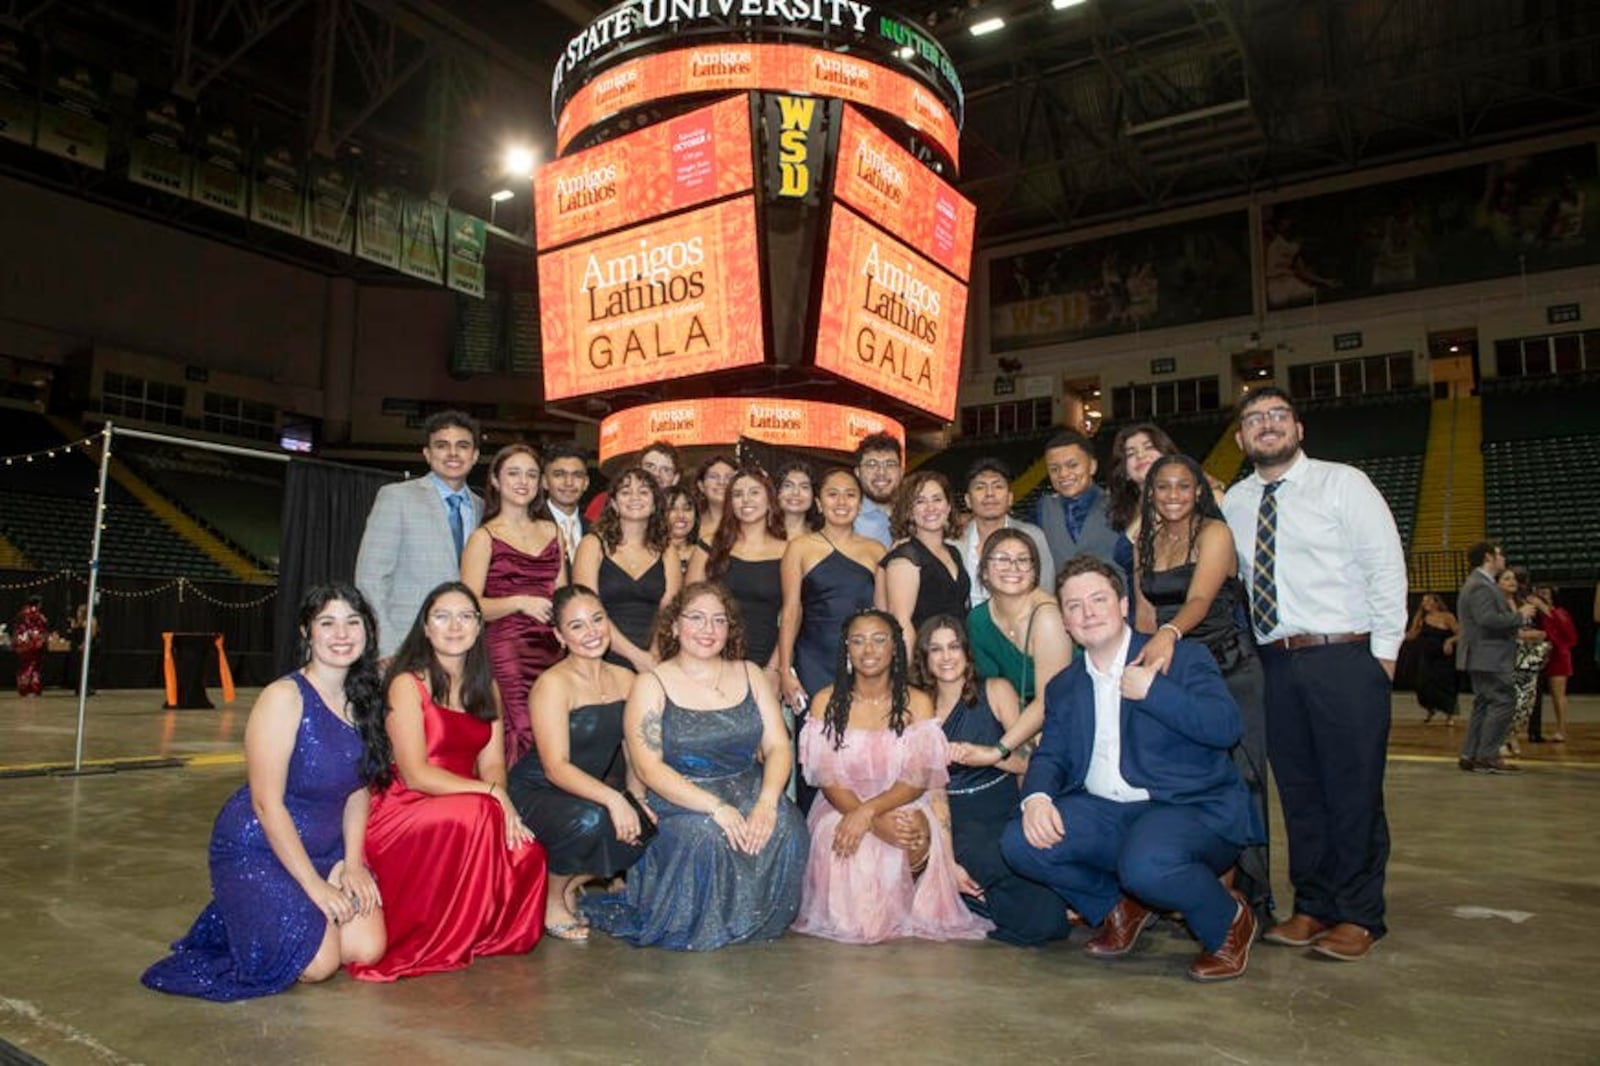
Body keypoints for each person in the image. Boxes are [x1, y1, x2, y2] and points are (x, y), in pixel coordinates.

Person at [1000, 557, 1262, 982]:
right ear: (1064, 621)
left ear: (1122, 604)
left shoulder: (1183, 657)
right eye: (1074, 606)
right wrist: (1036, 798)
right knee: (1020, 841)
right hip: (1109, 812)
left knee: (1148, 864)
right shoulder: (1065, 685)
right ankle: (1117, 908)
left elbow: (1227, 727)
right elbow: (1052, 756)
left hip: (1190, 810)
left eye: (1098, 599)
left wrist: (1155, 692)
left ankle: (1228, 920)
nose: (1087, 613)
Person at [1221, 386, 1406, 962]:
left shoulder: (1342, 483)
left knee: (1351, 791)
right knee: (1299, 792)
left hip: (1344, 656)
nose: (1267, 425)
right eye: (1255, 419)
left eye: (1278, 416)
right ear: (1240, 438)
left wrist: (1384, 657)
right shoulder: (1235, 503)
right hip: (1276, 660)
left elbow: (1385, 566)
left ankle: (1359, 914)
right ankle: (1314, 904)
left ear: (1299, 429)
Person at [142, 584, 387, 999]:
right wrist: (315, 887)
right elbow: (266, 803)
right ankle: (252, 901)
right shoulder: (283, 698)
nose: (341, 633)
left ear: (367, 632)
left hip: (324, 850)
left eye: (352, 622)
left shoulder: (364, 699)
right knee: (318, 965)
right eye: (327, 623)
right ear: (307, 633)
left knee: (367, 948)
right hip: (260, 847)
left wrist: (352, 863)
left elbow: (357, 789)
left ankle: (257, 910)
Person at [582, 583, 808, 950]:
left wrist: (767, 801)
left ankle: (758, 919)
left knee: (787, 823)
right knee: (707, 835)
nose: (708, 629)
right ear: (674, 626)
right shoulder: (651, 684)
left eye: (719, 620)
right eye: (697, 618)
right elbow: (648, 767)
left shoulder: (750, 673)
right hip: (679, 796)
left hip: (746, 785)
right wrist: (716, 807)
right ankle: (701, 922)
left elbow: (779, 745)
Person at [349, 582, 547, 981]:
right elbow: (415, 773)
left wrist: (498, 800)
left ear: (478, 627)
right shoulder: (408, 683)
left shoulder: (484, 685)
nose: (454, 626)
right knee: (478, 813)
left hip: (467, 803)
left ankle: (477, 934)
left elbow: (493, 765)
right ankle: (440, 936)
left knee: (530, 855)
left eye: (466, 616)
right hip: (405, 806)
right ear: (425, 626)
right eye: (442, 616)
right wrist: (490, 796)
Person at [792, 610, 993, 943]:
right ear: (846, 649)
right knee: (843, 839)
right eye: (858, 641)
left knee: (909, 826)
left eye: (879, 639)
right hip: (842, 804)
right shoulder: (825, 701)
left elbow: (916, 780)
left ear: (895, 648)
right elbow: (827, 780)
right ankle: (870, 914)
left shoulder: (917, 701)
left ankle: (909, 907)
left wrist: (870, 814)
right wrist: (860, 816)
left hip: (901, 798)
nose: (868, 650)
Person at [1132, 453, 1273, 926]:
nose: (1173, 495)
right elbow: (1145, 616)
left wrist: (1169, 636)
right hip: (1173, 667)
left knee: (1237, 775)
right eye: (1163, 487)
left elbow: (1198, 599)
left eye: (1183, 487)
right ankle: (1189, 880)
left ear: (1199, 491)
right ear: (1150, 493)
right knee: (1185, 774)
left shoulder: (1215, 533)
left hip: (1227, 663)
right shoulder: (1144, 541)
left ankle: (1233, 898)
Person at [913, 615, 1070, 946]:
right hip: (954, 813)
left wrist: (987, 754)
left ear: (967, 652)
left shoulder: (997, 690)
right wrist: (947, 860)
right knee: (988, 861)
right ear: (925, 658)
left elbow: (1027, 760)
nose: (946, 657)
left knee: (1030, 872)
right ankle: (976, 901)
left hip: (1001, 802)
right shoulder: (918, 706)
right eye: (936, 649)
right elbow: (927, 787)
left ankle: (994, 906)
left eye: (954, 647)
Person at [509, 585, 649, 940]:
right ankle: (552, 900)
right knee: (592, 819)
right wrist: (615, 800)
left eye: (598, 619)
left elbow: (634, 752)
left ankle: (570, 885)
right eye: (577, 626)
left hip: (589, 791)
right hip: (537, 790)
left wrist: (636, 799)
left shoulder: (627, 679)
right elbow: (556, 767)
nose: (592, 632)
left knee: (646, 824)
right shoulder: (552, 684)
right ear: (559, 635)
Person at [461, 444, 566, 766]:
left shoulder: (552, 531)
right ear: (494, 479)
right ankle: (513, 807)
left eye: (531, 474)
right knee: (521, 727)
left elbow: (562, 593)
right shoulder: (484, 537)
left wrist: (565, 628)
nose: (523, 481)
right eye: (513, 473)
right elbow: (469, 607)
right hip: (508, 646)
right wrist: (519, 602)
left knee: (554, 726)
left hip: (553, 646)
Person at [356, 410, 483, 660]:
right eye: (442, 446)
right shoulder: (396, 497)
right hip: (405, 644)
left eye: (463, 446)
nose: (453, 453)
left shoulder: (484, 508)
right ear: (427, 454)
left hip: (466, 648)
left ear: (475, 455)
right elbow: (370, 578)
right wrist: (386, 646)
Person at [961, 528, 1073, 757]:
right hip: (1012, 723)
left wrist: (999, 750)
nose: (1013, 567)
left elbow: (1051, 700)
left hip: (1064, 719)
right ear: (983, 571)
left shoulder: (1048, 617)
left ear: (1035, 573)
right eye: (1002, 559)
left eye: (1023, 560)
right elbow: (989, 689)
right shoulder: (978, 620)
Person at [573, 468, 680, 673]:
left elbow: (670, 610)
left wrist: (654, 656)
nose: (634, 498)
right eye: (625, 492)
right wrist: (636, 656)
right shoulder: (592, 545)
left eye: (643, 491)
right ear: (613, 503)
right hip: (601, 653)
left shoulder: (667, 550)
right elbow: (589, 610)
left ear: (655, 503)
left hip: (656, 656)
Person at [689, 467, 787, 680]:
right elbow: (689, 606)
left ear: (770, 500)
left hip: (763, 663)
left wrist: (774, 669)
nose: (745, 500)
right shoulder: (709, 545)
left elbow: (793, 615)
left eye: (754, 492)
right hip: (709, 657)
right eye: (737, 494)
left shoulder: (789, 551)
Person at [1455, 542, 1534, 774]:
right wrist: (1519, 616)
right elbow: (1487, 619)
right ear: (1489, 557)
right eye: (1500, 554)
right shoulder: (1481, 586)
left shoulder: (1480, 584)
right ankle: (1487, 756)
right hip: (1489, 655)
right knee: (1502, 701)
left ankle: (1471, 753)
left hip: (1483, 654)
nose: (1503, 559)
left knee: (1484, 703)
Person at [878, 470, 971, 658]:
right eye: (920, 501)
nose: (930, 508)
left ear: (948, 507)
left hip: (956, 656)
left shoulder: (953, 552)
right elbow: (901, 623)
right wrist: (911, 677)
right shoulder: (905, 559)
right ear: (910, 511)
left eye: (937, 499)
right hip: (925, 662)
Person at [1035, 430, 1125, 591]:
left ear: (1092, 466)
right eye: (1054, 469)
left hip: (1116, 606)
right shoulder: (1044, 508)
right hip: (1066, 609)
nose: (1063, 474)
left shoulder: (1120, 505)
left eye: (1072, 465)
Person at [958, 458, 1051, 610]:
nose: (989, 494)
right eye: (980, 487)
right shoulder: (954, 542)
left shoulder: (1032, 537)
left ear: (1010, 498)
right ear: (968, 500)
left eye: (998, 486)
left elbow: (1046, 590)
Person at [1107, 423, 1179, 580]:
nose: (1141, 455)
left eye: (1149, 447)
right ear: (1125, 471)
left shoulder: (1197, 498)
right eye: (1131, 454)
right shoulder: (1121, 512)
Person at [1503, 567, 1550, 753]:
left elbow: (1547, 615)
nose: (1512, 582)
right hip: (1509, 656)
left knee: (1527, 701)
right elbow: (1508, 630)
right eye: (1507, 579)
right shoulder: (1500, 605)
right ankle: (1503, 737)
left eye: (1514, 579)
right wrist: (1525, 634)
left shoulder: (1524, 601)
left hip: (1527, 657)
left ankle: (1513, 735)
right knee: (1511, 699)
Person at [583, 440, 678, 524]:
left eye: (666, 470)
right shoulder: (604, 501)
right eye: (650, 466)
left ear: (675, 479)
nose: (656, 474)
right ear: (638, 468)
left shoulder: (680, 513)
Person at [1406, 593, 1460, 725]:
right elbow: (1412, 634)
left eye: (1429, 601)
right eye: (1423, 602)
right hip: (1426, 656)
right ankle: (1430, 709)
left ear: (1436, 602)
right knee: (1423, 684)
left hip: (1442, 657)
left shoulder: (1447, 617)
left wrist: (1449, 641)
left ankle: (1449, 715)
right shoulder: (1421, 618)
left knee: (1444, 684)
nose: (1425, 604)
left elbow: (1460, 633)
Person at [1533, 584, 1576, 743]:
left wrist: (1547, 609)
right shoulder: (1535, 614)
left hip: (1558, 655)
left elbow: (1570, 635)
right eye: (1540, 593)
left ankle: (1562, 730)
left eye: (1545, 593)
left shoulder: (1559, 612)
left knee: (1558, 695)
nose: (1542, 596)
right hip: (1539, 655)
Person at [541, 442, 591, 568]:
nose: (569, 482)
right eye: (559, 474)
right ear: (544, 482)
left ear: (586, 483)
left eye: (577, 475)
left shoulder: (596, 530)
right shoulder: (529, 525)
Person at [853, 432, 904, 548]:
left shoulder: (918, 514)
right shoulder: (847, 519)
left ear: (901, 472)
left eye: (890, 464)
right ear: (858, 473)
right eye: (871, 464)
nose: (881, 472)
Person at [691, 454, 738, 550]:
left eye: (729, 477)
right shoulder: (690, 524)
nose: (721, 482)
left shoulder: (748, 524)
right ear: (701, 486)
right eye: (713, 477)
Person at [11, 595, 49, 698]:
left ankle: (23, 688)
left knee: (24, 666)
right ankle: (32, 688)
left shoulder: (21, 614)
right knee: (33, 666)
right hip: (33, 645)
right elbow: (42, 629)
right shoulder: (38, 616)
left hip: (22, 644)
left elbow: (17, 629)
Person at [776, 459, 821, 540]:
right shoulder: (762, 534)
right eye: (788, 486)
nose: (795, 492)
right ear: (778, 493)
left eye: (804, 487)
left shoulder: (822, 538)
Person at [663, 485, 699, 581]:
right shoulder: (647, 552)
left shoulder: (704, 553)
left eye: (687, 509)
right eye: (672, 509)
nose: (681, 515)